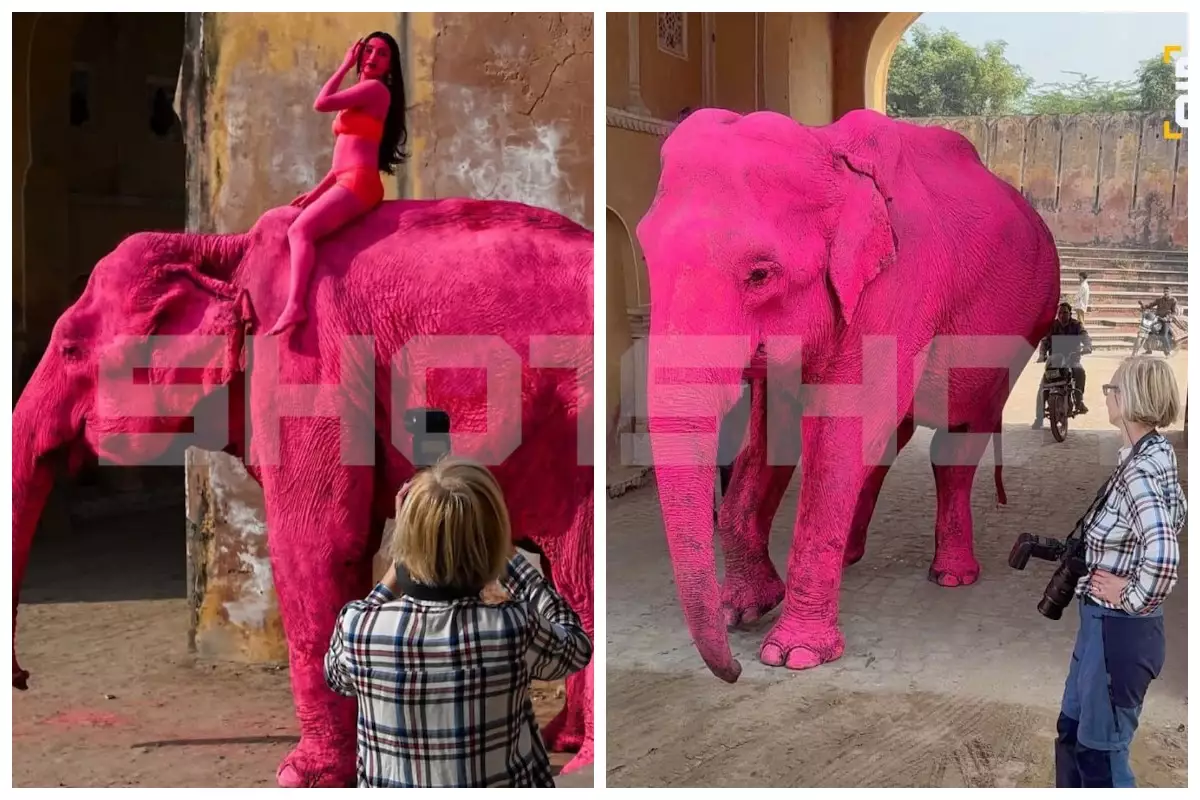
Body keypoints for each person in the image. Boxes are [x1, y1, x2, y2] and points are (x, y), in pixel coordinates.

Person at [323, 457, 592, 788]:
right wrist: (512, 559)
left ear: (408, 539)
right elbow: (578, 647)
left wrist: (398, 565)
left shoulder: (358, 627)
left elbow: (336, 678)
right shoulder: (513, 626)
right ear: (493, 538)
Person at [1055, 356, 1185, 788]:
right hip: (1104, 629)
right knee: (1073, 735)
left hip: (1119, 631)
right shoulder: (1151, 454)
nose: (1105, 394)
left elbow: (1165, 556)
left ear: (1128, 400)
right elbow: (1177, 513)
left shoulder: (1139, 472)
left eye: (1111, 388)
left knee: (1101, 760)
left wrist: (1128, 593)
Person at [266, 32, 408, 336]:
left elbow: (321, 103)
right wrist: (317, 192)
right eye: (368, 51)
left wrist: (344, 64)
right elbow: (344, 155)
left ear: (390, 66)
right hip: (346, 178)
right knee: (300, 223)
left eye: (382, 54)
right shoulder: (363, 91)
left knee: (299, 230)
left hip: (359, 182)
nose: (372, 58)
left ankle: (295, 306)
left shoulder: (374, 90)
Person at [1033, 302, 1092, 428]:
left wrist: (1087, 346)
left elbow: (1084, 335)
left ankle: (1079, 400)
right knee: (1043, 386)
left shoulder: (1076, 325)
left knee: (1080, 371)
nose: (1062, 315)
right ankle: (1039, 418)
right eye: (1059, 313)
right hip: (1055, 360)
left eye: (1065, 312)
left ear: (1070, 314)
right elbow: (1044, 342)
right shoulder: (1052, 326)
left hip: (1072, 359)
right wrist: (1042, 355)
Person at [1140, 286, 1178, 354]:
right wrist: (1143, 305)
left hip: (1166, 321)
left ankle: (1168, 352)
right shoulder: (1159, 299)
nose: (1166, 293)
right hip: (1157, 319)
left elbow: (1174, 312)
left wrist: (1167, 317)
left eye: (1167, 292)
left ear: (1170, 292)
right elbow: (1150, 305)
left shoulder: (1173, 300)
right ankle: (1149, 350)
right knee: (1149, 333)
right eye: (1164, 291)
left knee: (1163, 335)